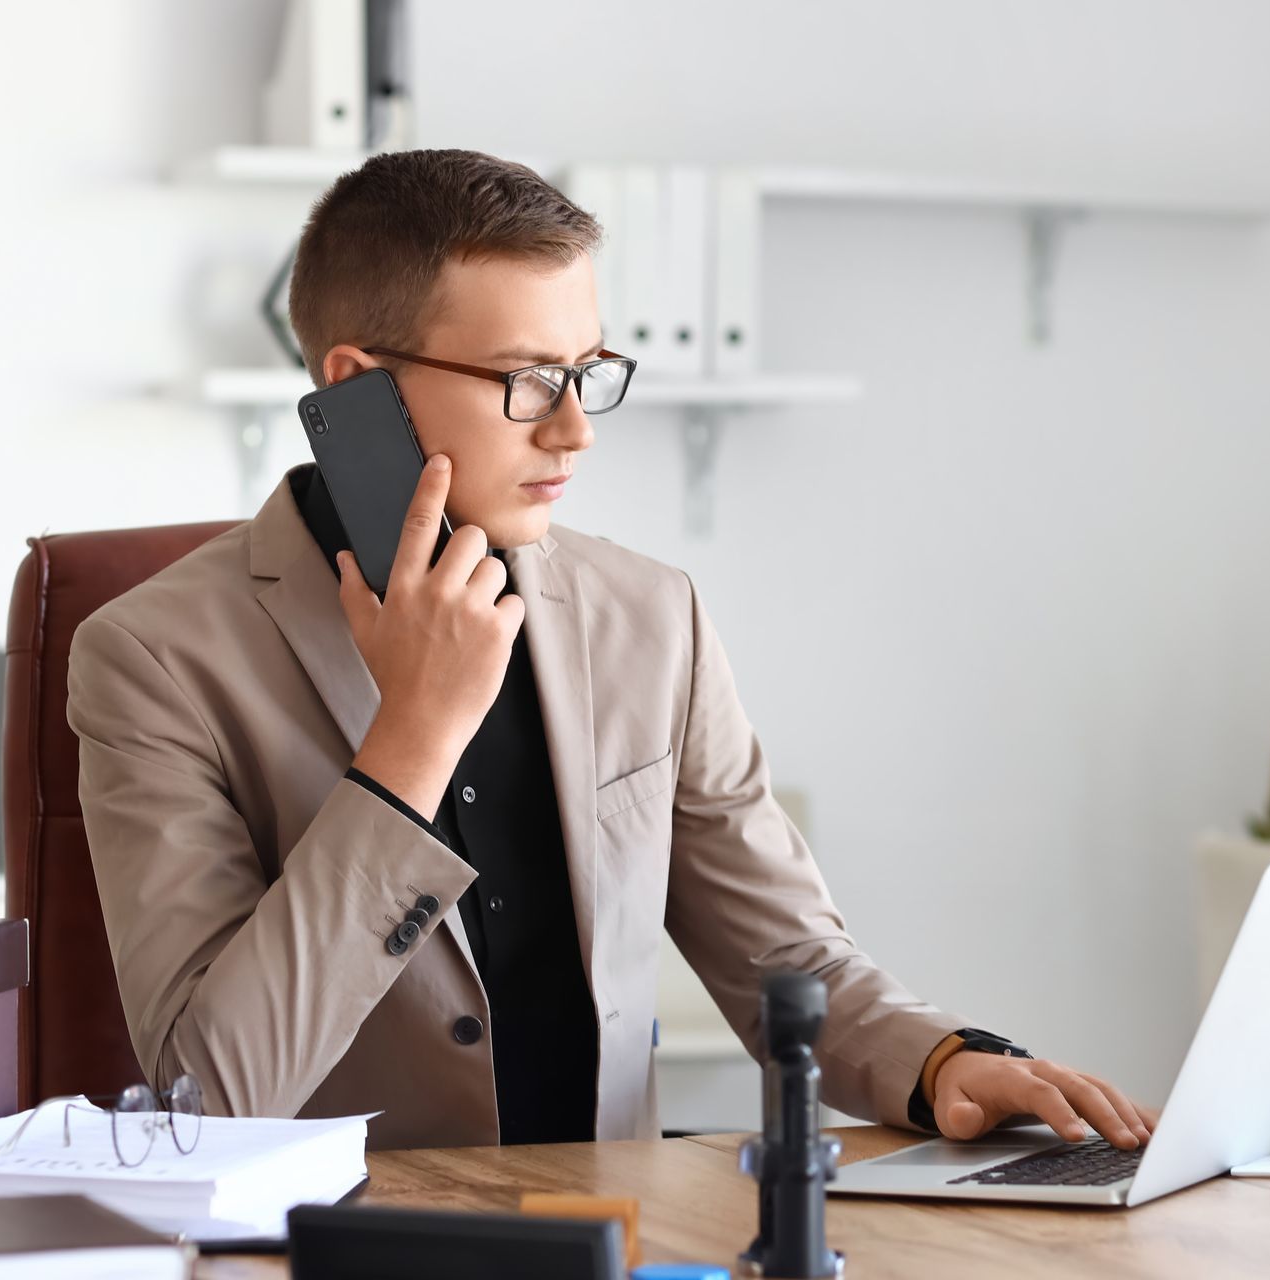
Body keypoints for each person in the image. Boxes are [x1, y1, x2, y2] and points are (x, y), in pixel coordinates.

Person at [67, 148, 1154, 1152]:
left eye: (588, 370)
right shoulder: (153, 660)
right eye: (530, 378)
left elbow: (790, 955)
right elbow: (201, 1095)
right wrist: (412, 740)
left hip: (620, 1239)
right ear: (357, 387)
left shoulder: (651, 617)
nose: (576, 427)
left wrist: (944, 1059)